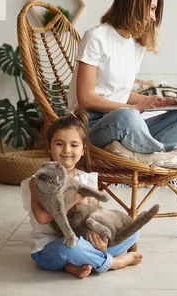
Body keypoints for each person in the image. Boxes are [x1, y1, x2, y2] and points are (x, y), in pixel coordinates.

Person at [67, 0, 177, 155]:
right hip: (91, 124)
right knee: (127, 116)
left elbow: (118, 93)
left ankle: (141, 151)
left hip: (123, 122)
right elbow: (86, 98)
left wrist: (157, 102)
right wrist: (132, 109)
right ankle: (166, 154)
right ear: (135, 4)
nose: (154, 18)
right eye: (152, 9)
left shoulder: (136, 46)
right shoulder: (96, 37)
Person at [20, 110, 142, 280]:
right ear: (49, 146)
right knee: (70, 248)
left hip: (84, 239)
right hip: (50, 248)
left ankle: (77, 264)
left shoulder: (86, 179)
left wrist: (102, 242)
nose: (67, 150)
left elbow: (97, 215)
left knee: (133, 230)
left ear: (83, 150)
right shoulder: (39, 180)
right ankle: (113, 263)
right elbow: (41, 218)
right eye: (59, 144)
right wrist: (76, 198)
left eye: (74, 145)